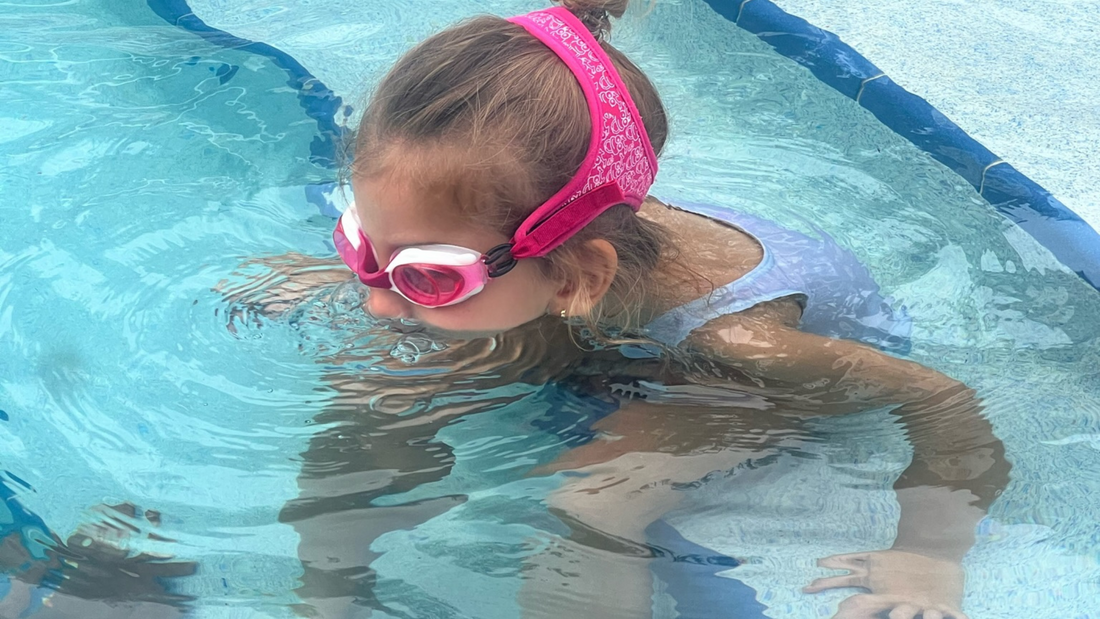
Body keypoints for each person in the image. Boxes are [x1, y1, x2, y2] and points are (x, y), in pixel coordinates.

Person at [231, 1, 1009, 617]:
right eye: (362, 245)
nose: (375, 300)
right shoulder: (536, 258)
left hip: (736, 377)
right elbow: (458, 260)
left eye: (425, 276)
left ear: (576, 279)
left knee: (595, 502)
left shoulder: (745, 342)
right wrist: (365, 271)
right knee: (381, 393)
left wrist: (930, 553)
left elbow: (940, 399)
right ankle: (327, 596)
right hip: (577, 297)